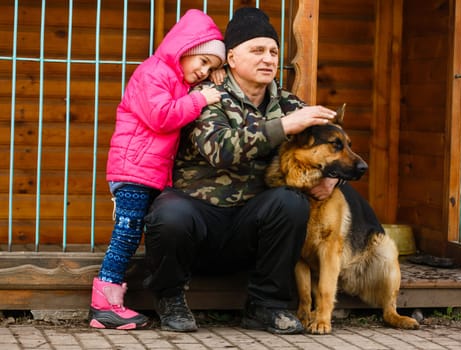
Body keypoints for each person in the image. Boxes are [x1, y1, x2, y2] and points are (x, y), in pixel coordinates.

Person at [143, 7, 339, 334]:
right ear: (231, 58)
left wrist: (334, 175)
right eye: (257, 50)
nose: (268, 59)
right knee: (169, 213)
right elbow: (220, 150)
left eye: (274, 52)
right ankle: (170, 298)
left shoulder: (289, 104)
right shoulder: (208, 96)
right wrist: (284, 127)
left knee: (290, 202)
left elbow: (335, 143)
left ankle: (266, 305)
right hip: (200, 221)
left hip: (251, 227)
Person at [89, 9, 226, 330]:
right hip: (133, 171)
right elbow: (162, 116)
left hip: (146, 172)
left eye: (212, 68)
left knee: (136, 233)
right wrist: (202, 99)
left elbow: (185, 95)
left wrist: (212, 79)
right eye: (203, 62)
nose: (204, 72)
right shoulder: (152, 73)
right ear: (185, 50)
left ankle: (111, 302)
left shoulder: (176, 79)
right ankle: (103, 305)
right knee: (126, 235)